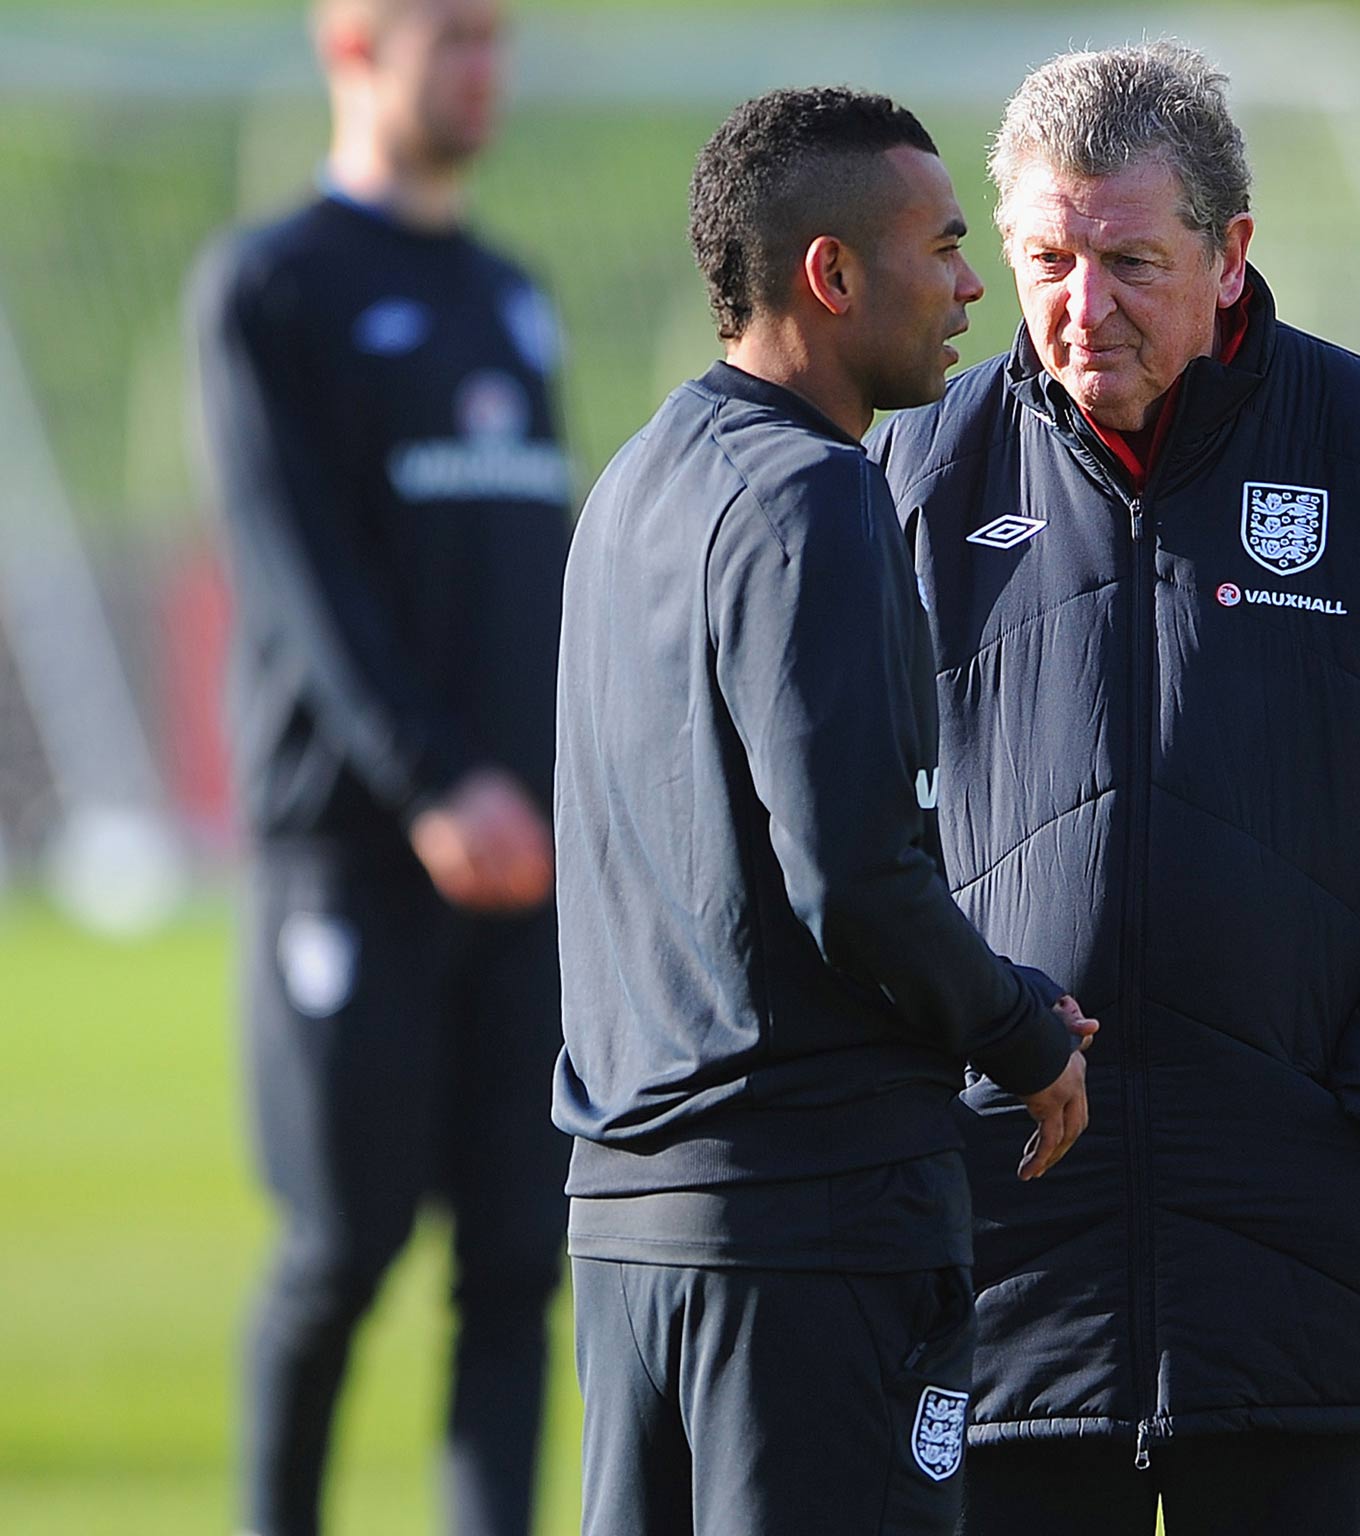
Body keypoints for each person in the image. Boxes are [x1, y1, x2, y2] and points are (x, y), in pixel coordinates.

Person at [868, 41, 1360, 1536]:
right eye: (1047, 258)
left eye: (1132, 259)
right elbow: (843, 834)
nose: (1082, 304)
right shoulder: (913, 478)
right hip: (1003, 1252)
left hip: (1307, 1243)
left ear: (1232, 251)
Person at [551, 87, 1093, 1536]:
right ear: (831, 275)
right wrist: (1020, 1027)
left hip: (627, 1232)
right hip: (811, 1226)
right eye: (943, 245)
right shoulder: (815, 497)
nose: (973, 285)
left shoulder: (633, 487)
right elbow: (853, 874)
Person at [187, 2, 572, 1532]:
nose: (481, 64)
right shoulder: (274, 285)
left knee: (515, 1264)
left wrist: (553, 784)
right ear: (351, 40)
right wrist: (430, 780)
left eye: (496, 35)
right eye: (449, 34)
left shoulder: (510, 296)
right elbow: (294, 573)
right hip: (353, 849)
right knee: (339, 1250)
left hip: (526, 858)